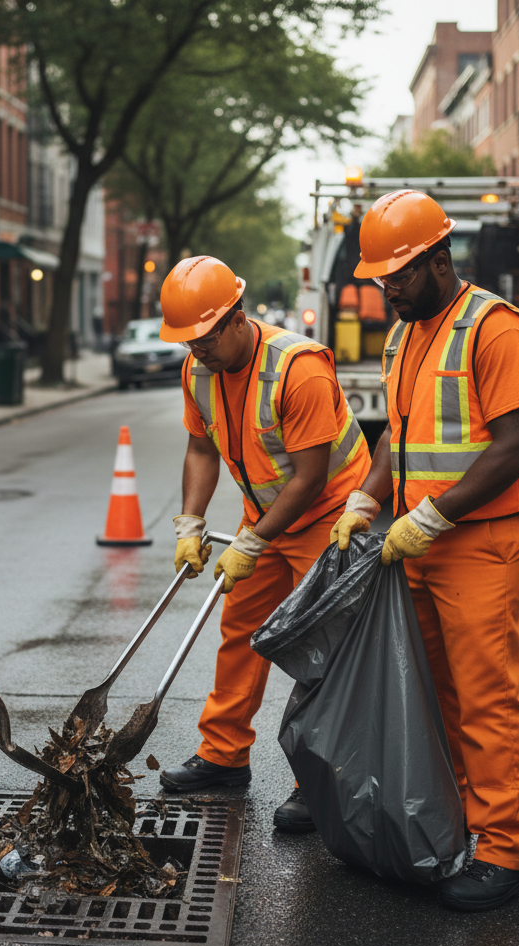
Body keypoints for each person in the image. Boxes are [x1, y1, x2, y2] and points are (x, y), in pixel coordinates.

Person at [332, 189, 519, 911]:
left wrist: (431, 516)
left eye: (397, 274)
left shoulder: (494, 328)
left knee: (484, 697)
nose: (386, 288)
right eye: (380, 277)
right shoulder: (406, 334)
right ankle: (465, 824)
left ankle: (507, 854)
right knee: (438, 694)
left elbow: (518, 443)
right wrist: (367, 496)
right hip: (421, 538)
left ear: (436, 258)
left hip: (480, 540)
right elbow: (399, 434)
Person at [155, 256, 371, 833]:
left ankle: (315, 781)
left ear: (236, 317)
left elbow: (309, 477)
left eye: (204, 337)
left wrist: (251, 541)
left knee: (321, 652)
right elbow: (201, 449)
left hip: (330, 521)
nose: (196, 350)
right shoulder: (197, 371)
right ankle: (224, 755)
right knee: (240, 633)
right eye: (187, 341)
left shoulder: (299, 369)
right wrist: (190, 523)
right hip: (266, 520)